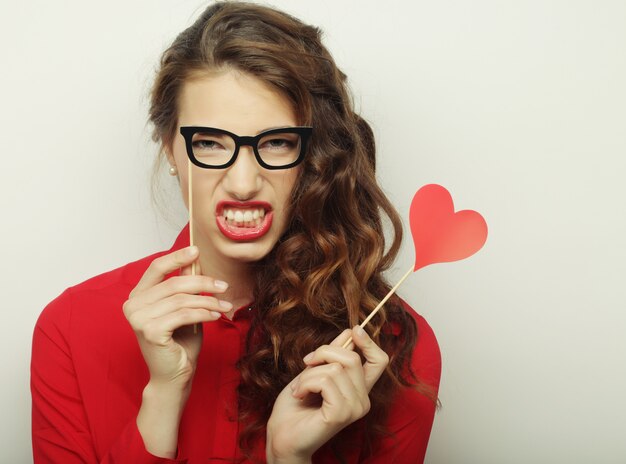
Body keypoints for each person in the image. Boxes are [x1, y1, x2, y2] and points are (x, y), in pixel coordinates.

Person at [30, 2, 441, 463]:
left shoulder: (390, 348)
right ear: (171, 149)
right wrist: (163, 398)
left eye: (277, 143)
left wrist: (288, 458)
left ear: (314, 155)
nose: (243, 184)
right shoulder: (69, 328)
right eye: (209, 143)